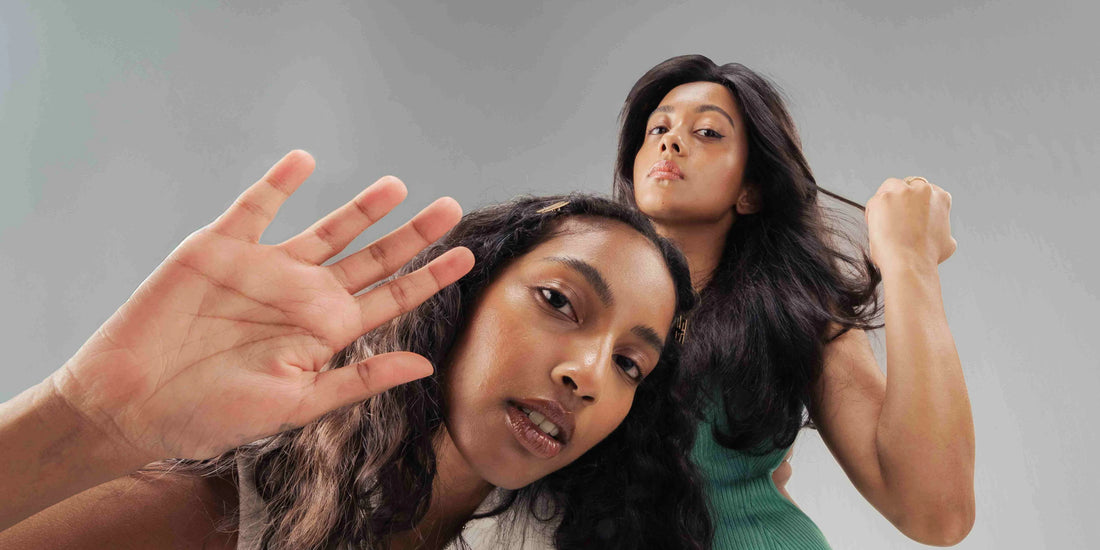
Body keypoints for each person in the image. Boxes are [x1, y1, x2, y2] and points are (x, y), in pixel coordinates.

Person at [0, 151, 710, 549]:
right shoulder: (222, 510)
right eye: (558, 301)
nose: (587, 375)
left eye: (629, 365)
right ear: (462, 295)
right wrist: (88, 415)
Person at [613, 55, 975, 548]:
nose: (670, 141)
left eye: (708, 132)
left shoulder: (795, 314)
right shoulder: (568, 296)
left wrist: (910, 262)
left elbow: (936, 514)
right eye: (658, 127)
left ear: (751, 190)